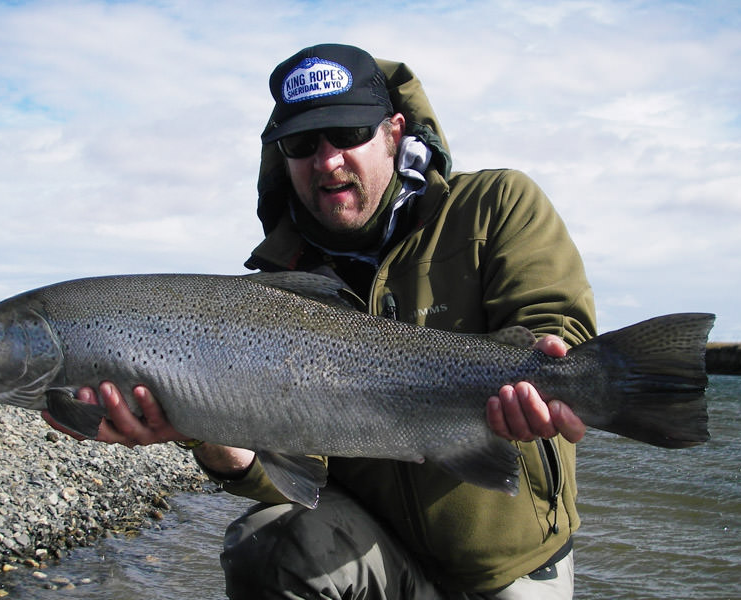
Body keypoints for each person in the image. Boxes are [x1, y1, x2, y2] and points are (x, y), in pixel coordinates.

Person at [44, 43, 596, 599]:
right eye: (303, 143)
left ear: (393, 131)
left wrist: (559, 372)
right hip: (374, 554)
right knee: (264, 544)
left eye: (348, 134)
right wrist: (211, 438)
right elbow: (299, 473)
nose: (327, 160)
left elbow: (555, 323)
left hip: (509, 565)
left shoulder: (497, 203)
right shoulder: (274, 283)